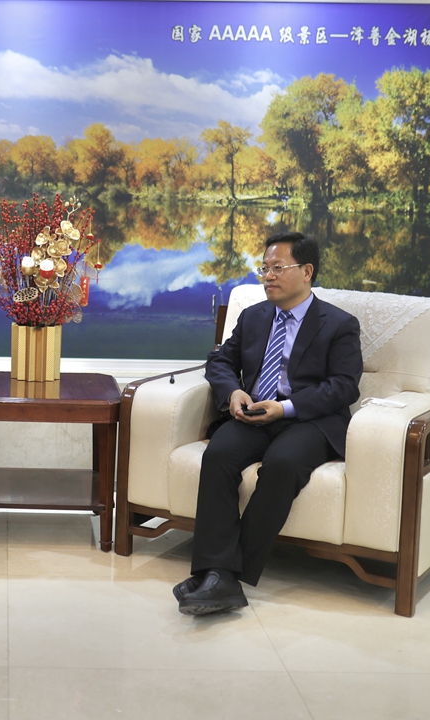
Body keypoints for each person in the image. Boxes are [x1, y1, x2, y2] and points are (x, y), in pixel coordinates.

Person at [174, 232, 362, 615]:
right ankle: (219, 577)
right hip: (254, 412)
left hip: (308, 421)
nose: (268, 276)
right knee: (220, 455)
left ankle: (220, 574)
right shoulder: (254, 316)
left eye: (278, 268)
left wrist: (287, 408)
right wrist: (233, 395)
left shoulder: (339, 324)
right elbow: (220, 362)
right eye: (265, 268)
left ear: (307, 271)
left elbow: (344, 387)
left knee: (282, 465)